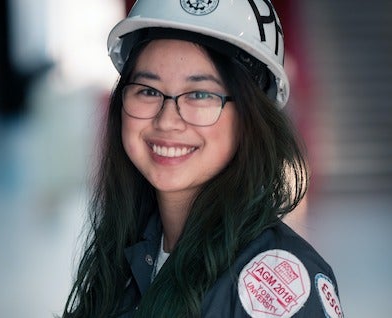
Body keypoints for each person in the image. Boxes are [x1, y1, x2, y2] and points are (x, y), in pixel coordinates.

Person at [62, 0, 343, 317]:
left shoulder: (277, 285)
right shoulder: (126, 257)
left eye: (200, 94)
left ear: (251, 118)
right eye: (148, 90)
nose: (167, 120)